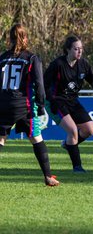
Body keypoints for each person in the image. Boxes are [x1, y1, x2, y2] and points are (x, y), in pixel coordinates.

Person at [44, 35, 93, 173]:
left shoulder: (83, 65)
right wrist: (52, 100)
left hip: (72, 101)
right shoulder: (58, 64)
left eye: (81, 48)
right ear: (67, 49)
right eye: (76, 49)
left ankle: (69, 145)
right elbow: (45, 85)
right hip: (56, 101)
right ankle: (77, 167)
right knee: (73, 130)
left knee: (90, 130)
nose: (79, 51)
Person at [0, 24, 59, 186]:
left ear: (10, 39)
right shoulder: (31, 58)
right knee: (36, 138)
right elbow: (39, 84)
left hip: (3, 104)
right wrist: (41, 105)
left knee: (1, 139)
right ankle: (48, 176)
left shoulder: (2, 58)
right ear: (25, 38)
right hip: (23, 105)